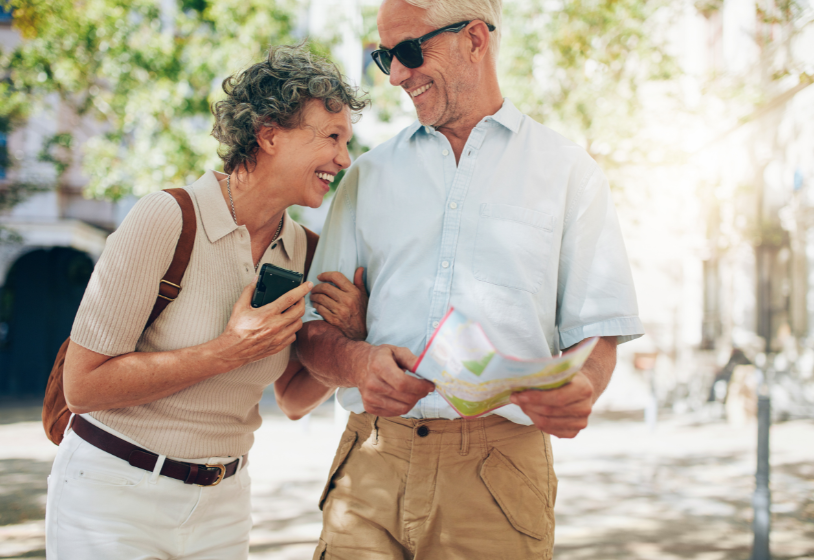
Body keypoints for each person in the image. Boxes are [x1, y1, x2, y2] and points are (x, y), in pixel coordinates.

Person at [296, 1, 645, 558]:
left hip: (498, 477)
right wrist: (359, 363)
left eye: (411, 51)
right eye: (386, 56)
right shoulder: (366, 177)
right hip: (370, 465)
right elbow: (313, 334)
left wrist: (584, 387)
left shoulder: (568, 172)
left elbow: (598, 333)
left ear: (476, 40)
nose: (397, 75)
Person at [45, 45, 369, 560]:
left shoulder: (305, 250)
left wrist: (351, 335)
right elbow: (82, 387)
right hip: (112, 496)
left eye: (346, 141)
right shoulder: (167, 219)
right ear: (268, 134)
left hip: (224, 504)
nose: (344, 159)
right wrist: (227, 351)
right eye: (331, 138)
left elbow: (293, 399)